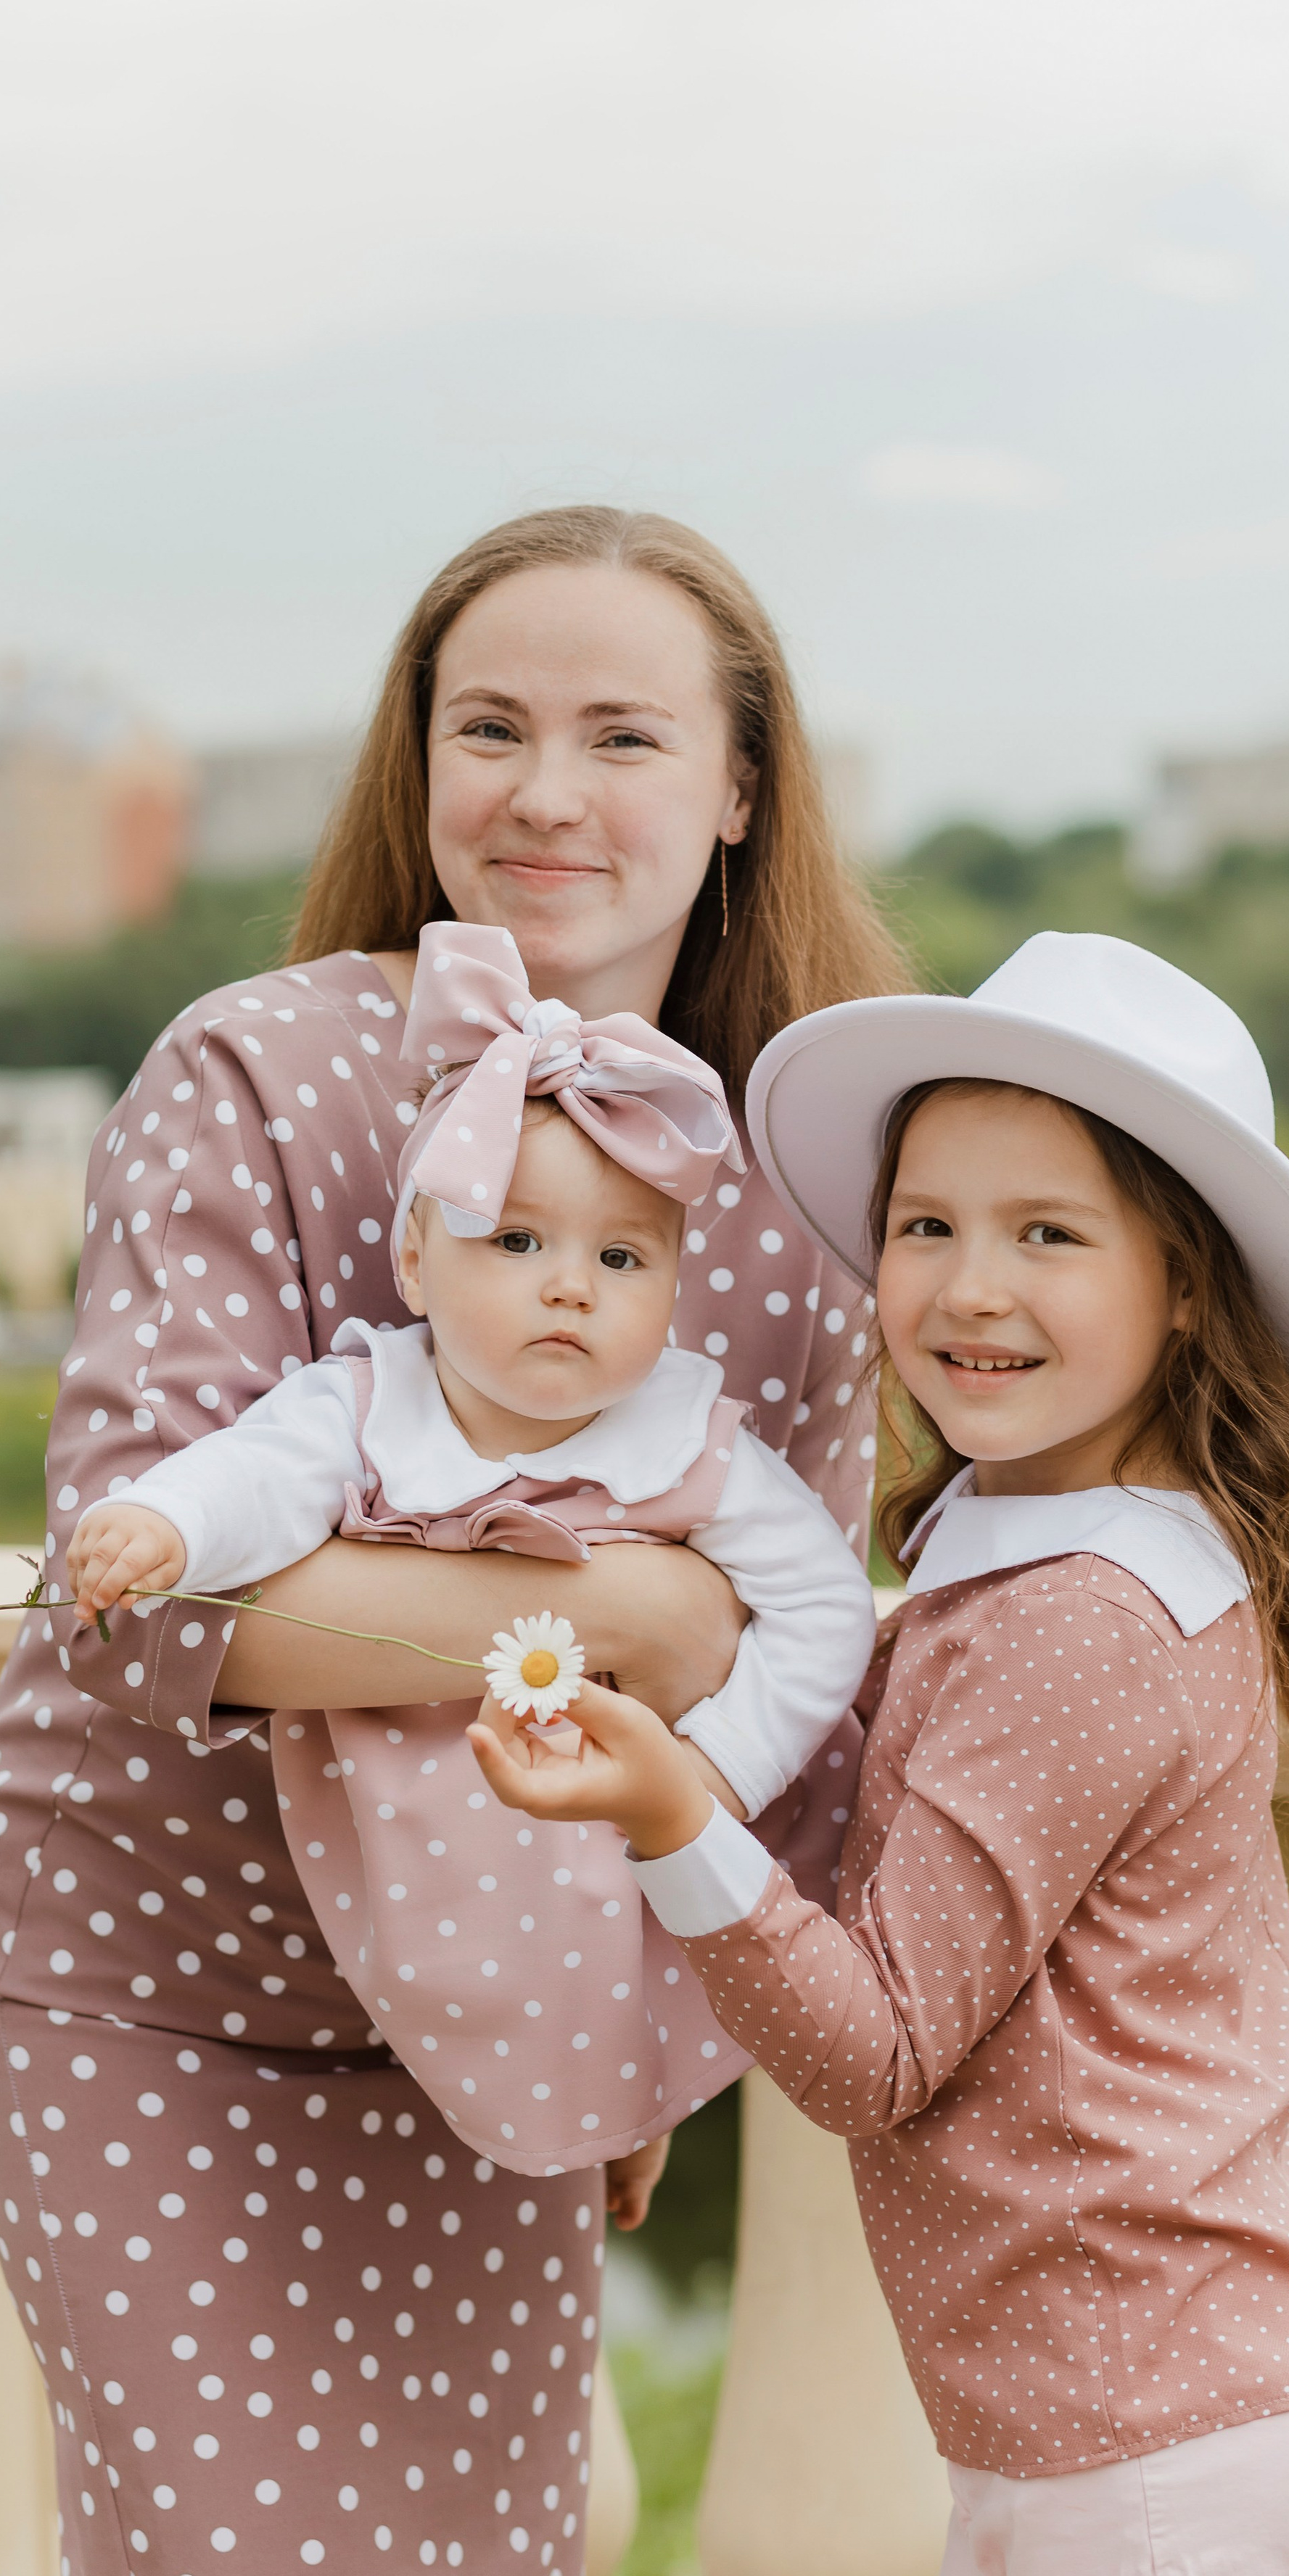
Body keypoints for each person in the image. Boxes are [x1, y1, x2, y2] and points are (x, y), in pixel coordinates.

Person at [0, 506, 908, 2576]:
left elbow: (788, 1681)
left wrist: (652, 2022)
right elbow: (145, 1602)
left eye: (621, 735)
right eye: (490, 726)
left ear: (737, 792)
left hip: (493, 2020)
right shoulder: (254, 1077)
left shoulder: (795, 1194)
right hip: (141, 1990)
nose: (546, 791)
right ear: (419, 761)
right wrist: (619, 1632)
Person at [474, 930, 1289, 2576]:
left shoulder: (1071, 1622)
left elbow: (874, 2047)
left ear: (1185, 1281)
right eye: (928, 1225)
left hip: (1160, 2420)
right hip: (1117, 2405)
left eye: (1045, 1233)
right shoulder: (1034, 1563)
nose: (968, 1289)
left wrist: (672, 1814)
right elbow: (842, 1881)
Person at [61, 918, 877, 2173]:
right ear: (414, 1261)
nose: (570, 1286)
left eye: (621, 1258)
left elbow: (826, 1607)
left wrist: (716, 1773)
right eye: (516, 1242)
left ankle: (621, 2093)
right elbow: (257, 1483)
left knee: (604, 1999)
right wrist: (164, 1526)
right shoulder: (371, 1404)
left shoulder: (684, 1444)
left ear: (670, 1293)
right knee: (452, 1973)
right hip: (404, 1876)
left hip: (604, 1874)